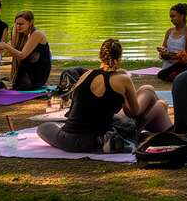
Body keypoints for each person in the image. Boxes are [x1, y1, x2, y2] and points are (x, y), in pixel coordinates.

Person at [37, 39, 171, 153]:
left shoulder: (86, 75)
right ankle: (162, 126)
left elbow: (73, 109)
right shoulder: (123, 79)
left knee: (43, 128)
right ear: (119, 58)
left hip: (67, 139)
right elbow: (133, 113)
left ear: (100, 56)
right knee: (149, 92)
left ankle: (159, 114)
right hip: (93, 140)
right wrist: (125, 95)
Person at [0, 11, 51, 91]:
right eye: (17, 23)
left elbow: (22, 55)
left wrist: (5, 45)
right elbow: (7, 49)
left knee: (23, 87)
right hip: (25, 67)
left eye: (21, 24)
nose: (18, 26)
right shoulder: (16, 31)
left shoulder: (37, 34)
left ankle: (1, 82)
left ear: (30, 23)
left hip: (38, 71)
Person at [157, 3, 187, 82]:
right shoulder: (169, 31)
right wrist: (163, 51)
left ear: (182, 16)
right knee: (161, 74)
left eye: (173, 16)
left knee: (165, 75)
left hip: (183, 64)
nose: (171, 19)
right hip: (169, 64)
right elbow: (164, 47)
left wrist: (174, 56)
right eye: (170, 17)